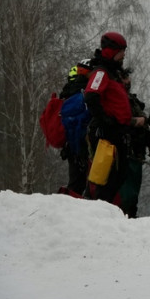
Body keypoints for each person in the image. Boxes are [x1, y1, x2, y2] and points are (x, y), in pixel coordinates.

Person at [83, 32, 143, 206]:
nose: (124, 55)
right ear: (111, 51)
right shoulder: (102, 72)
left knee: (119, 173)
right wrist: (105, 120)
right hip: (107, 132)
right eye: (121, 51)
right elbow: (91, 96)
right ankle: (98, 208)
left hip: (118, 132)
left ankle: (104, 208)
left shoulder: (113, 73)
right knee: (105, 176)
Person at [118, 68, 150, 218]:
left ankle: (130, 216)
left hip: (137, 152)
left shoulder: (132, 99)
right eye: (124, 78)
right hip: (126, 151)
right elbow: (119, 121)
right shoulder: (119, 99)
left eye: (128, 77)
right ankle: (124, 217)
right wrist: (135, 122)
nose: (128, 81)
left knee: (133, 193)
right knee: (125, 193)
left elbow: (145, 124)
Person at [57, 60, 94, 197]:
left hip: (71, 144)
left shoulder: (67, 92)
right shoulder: (87, 92)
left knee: (75, 180)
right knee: (88, 181)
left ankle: (70, 206)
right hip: (84, 142)